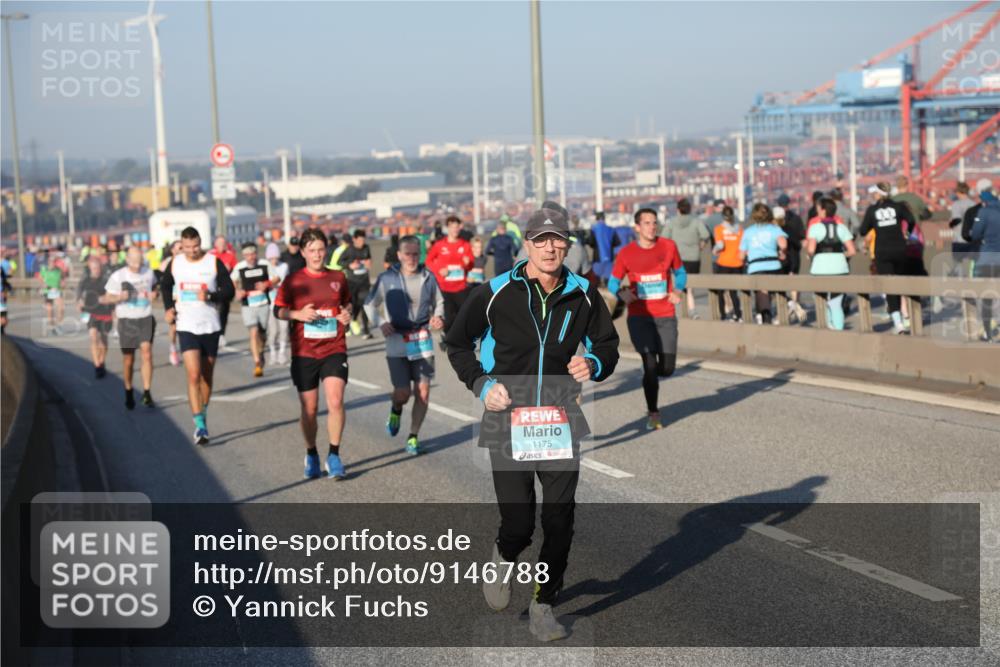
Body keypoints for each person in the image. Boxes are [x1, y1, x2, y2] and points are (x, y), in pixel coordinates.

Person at [446, 207, 619, 642]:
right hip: (507, 417)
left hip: (559, 416)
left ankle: (544, 603)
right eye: (540, 239)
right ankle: (504, 557)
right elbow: (457, 342)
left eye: (557, 239)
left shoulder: (582, 293)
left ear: (568, 245)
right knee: (520, 524)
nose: (549, 247)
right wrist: (482, 385)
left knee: (560, 519)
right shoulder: (496, 291)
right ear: (526, 243)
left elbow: (607, 343)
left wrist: (594, 363)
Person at [274, 228, 353, 479]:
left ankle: (334, 455)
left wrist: (346, 314)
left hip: (334, 348)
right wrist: (298, 315)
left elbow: (347, 303)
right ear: (303, 252)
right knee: (309, 409)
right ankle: (311, 453)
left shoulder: (338, 277)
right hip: (305, 352)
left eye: (321, 249)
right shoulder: (294, 281)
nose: (318, 255)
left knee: (335, 401)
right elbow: (278, 310)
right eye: (313, 250)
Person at [364, 235, 445, 455]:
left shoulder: (428, 277)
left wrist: (438, 317)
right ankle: (396, 409)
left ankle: (413, 436)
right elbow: (369, 305)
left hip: (421, 339)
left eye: (415, 253)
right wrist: (381, 323)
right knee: (402, 393)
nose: (411, 257)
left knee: (423, 392)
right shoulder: (386, 278)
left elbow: (440, 302)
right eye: (407, 253)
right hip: (397, 341)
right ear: (399, 255)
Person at [609, 207, 685, 430]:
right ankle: (653, 412)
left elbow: (680, 273)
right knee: (650, 365)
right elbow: (613, 282)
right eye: (647, 223)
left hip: (665, 315)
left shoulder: (668, 247)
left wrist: (677, 290)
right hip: (640, 317)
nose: (652, 227)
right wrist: (623, 294)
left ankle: (651, 375)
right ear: (637, 227)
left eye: (654, 223)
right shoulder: (626, 253)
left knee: (667, 368)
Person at [161, 226, 235, 444]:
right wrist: (168, 308)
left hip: (210, 325)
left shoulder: (212, 262)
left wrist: (211, 294)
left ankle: (203, 410)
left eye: (195, 246)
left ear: (200, 242)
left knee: (207, 375)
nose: (192, 251)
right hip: (186, 324)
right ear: (181, 246)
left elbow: (229, 291)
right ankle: (200, 425)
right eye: (187, 247)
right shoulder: (176, 263)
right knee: (193, 375)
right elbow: (165, 286)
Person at [103, 246, 159, 409]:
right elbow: (107, 298)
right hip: (126, 320)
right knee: (129, 359)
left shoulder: (148, 273)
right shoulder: (118, 276)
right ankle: (128, 390)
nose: (136, 264)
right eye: (133, 261)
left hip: (145, 317)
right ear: (127, 259)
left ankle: (147, 392)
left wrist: (154, 294)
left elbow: (154, 288)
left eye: (139, 260)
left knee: (146, 353)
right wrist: (120, 296)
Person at [859, 183, 918, 334]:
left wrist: (876, 224)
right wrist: (906, 234)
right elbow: (911, 220)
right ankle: (907, 316)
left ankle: (898, 322)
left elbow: (863, 230)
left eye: (875, 193)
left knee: (889, 285)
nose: (874, 196)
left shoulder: (873, 210)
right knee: (900, 282)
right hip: (899, 248)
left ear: (879, 194)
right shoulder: (899, 207)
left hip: (882, 251)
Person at [806, 198, 857, 330]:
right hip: (839, 267)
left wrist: (815, 255)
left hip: (820, 268)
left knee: (822, 301)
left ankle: (828, 327)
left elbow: (811, 250)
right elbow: (852, 251)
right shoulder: (841, 227)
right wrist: (840, 255)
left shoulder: (815, 228)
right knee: (836, 303)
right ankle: (838, 330)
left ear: (823, 211)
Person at [426, 215, 473, 345]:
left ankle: (460, 339)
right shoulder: (440, 245)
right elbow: (428, 261)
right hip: (444, 286)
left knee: (463, 315)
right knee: (448, 317)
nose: (455, 230)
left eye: (457, 227)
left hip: (460, 286)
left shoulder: (465, 244)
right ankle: (448, 339)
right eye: (452, 227)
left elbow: (470, 265)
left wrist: (467, 263)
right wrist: (439, 269)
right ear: (448, 228)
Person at [232, 242, 277, 377]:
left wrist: (267, 284)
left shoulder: (264, 264)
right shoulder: (240, 267)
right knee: (253, 332)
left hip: (263, 303)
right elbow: (232, 280)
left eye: (253, 254)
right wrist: (237, 290)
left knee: (262, 333)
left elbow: (276, 278)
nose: (250, 257)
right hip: (248, 305)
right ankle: (257, 363)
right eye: (247, 255)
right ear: (244, 255)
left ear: (256, 254)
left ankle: (261, 351)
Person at [738, 203, 788, 324]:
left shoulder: (748, 232)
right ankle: (788, 304)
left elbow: (741, 255)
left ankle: (766, 318)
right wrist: (782, 252)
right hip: (774, 265)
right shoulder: (775, 229)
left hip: (756, 267)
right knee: (776, 291)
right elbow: (783, 244)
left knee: (763, 293)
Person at [663, 198, 709, 318]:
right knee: (689, 287)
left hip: (677, 258)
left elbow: (664, 238)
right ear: (689, 209)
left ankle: (676, 311)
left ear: (678, 210)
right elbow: (705, 235)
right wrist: (701, 246)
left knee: (677, 283)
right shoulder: (696, 221)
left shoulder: (672, 222)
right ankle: (692, 310)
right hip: (693, 257)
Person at [969, 181, 1000, 342]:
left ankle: (987, 330)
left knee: (985, 294)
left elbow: (975, 233)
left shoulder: (983, 212)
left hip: (987, 258)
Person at [76, 254, 114, 378]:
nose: (96, 270)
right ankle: (97, 365)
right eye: (93, 268)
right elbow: (79, 295)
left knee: (103, 340)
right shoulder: (85, 281)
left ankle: (102, 360)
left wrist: (108, 299)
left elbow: (113, 295)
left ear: (100, 268)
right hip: (90, 312)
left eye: (97, 268)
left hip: (105, 312)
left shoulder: (106, 280)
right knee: (93, 337)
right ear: (90, 268)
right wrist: (79, 302)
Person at [772, 205, 807, 323]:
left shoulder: (773, 230)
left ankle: (782, 314)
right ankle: (794, 305)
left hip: (779, 261)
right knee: (793, 285)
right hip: (794, 259)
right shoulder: (791, 228)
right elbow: (799, 244)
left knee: (778, 288)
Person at [711, 205, 744, 321]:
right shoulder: (739, 229)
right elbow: (743, 246)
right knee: (734, 291)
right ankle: (738, 314)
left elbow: (720, 245)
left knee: (721, 291)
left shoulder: (719, 228)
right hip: (737, 263)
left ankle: (723, 315)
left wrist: (714, 250)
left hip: (724, 262)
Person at [338, 229, 372, 338]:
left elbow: (368, 259)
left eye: (363, 240)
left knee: (365, 304)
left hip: (364, 281)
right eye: (360, 240)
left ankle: (366, 331)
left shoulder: (366, 248)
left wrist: (368, 262)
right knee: (353, 304)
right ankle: (350, 323)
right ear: (354, 239)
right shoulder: (349, 250)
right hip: (352, 282)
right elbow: (339, 262)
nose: (362, 242)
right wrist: (349, 265)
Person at [265, 242, 290, 365]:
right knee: (273, 331)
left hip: (283, 303)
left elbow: (280, 281)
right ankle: (273, 353)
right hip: (270, 304)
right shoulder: (265, 267)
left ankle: (282, 353)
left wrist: (270, 283)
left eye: (276, 257)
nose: (274, 260)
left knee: (284, 329)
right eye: (271, 258)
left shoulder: (284, 266)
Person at [210, 236, 237, 348]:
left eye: (223, 243)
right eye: (219, 243)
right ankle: (213, 332)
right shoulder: (210, 255)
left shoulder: (230, 255)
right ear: (215, 244)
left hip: (225, 287)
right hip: (213, 287)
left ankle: (221, 334)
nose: (221, 245)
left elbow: (236, 270)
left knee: (224, 311)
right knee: (214, 311)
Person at [159, 240, 183, 366]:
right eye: (179, 248)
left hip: (185, 297)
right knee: (173, 327)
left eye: (183, 247)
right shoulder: (166, 264)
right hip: (172, 298)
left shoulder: (188, 262)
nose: (182, 250)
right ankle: (173, 349)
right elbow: (163, 283)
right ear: (173, 250)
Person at [950, 181, 978, 277]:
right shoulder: (974, 204)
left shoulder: (956, 205)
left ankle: (960, 285)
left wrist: (951, 224)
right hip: (971, 239)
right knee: (972, 265)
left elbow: (956, 220)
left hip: (959, 239)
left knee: (958, 265)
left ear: (958, 192)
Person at [39, 249, 67, 335]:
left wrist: (63, 283)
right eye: (51, 261)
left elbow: (62, 279)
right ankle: (52, 327)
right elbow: (41, 280)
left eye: (54, 261)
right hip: (48, 291)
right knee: (50, 310)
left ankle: (58, 325)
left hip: (57, 291)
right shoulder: (44, 269)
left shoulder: (58, 270)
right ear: (48, 262)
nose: (53, 263)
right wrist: (46, 286)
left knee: (61, 308)